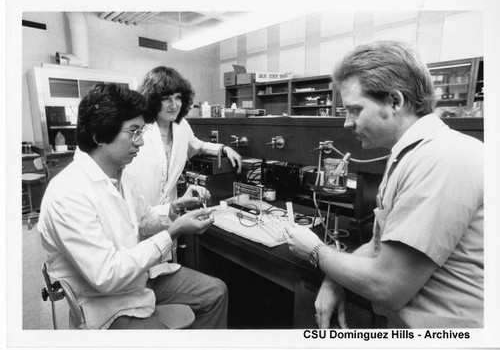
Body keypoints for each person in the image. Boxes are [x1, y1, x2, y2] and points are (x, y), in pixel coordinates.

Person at [284, 41, 483, 329]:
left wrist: (315, 251)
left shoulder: (442, 157)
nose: (346, 123)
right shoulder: (410, 153)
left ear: (395, 101)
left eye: (355, 110)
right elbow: (380, 244)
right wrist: (334, 275)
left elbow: (387, 285)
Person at [38, 83, 228, 329]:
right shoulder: (68, 193)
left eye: (142, 131)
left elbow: (143, 219)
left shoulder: (121, 174)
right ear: (99, 136)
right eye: (133, 132)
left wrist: (174, 209)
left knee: (215, 292)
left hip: (137, 278)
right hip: (104, 301)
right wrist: (173, 232)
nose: (140, 142)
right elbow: (106, 276)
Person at [125, 66, 242, 272]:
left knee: (167, 267)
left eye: (178, 97)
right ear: (153, 99)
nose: (174, 104)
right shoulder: (141, 130)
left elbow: (196, 144)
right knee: (139, 270)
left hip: (167, 212)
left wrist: (223, 149)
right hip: (138, 212)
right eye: (166, 98)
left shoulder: (181, 126)